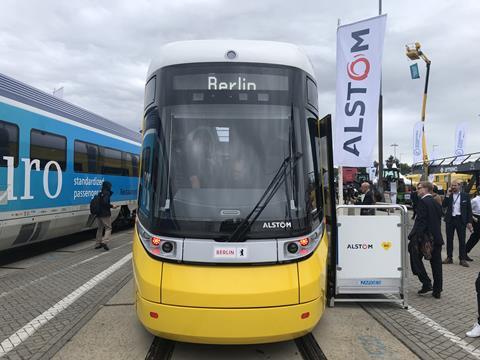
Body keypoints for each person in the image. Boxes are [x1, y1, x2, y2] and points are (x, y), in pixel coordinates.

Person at [408, 181, 444, 299]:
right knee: (436, 264)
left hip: (425, 239)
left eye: (419, 188)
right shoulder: (435, 202)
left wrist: (413, 236)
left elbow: (421, 222)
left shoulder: (423, 201)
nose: (417, 190)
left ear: (426, 189)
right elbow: (439, 217)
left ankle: (426, 283)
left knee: (415, 258)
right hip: (437, 238)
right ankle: (437, 290)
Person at [442, 180, 473, 267]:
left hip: (461, 220)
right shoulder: (449, 195)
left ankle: (462, 259)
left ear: (459, 186)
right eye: (452, 185)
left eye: (455, 185)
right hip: (450, 220)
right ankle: (449, 258)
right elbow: (444, 205)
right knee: (449, 239)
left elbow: (469, 210)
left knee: (462, 240)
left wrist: (469, 222)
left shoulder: (465, 196)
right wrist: (447, 195)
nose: (453, 187)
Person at [95, 181, 118, 251]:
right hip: (105, 214)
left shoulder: (100, 193)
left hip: (98, 214)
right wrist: (112, 206)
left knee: (100, 228)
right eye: (110, 186)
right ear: (108, 186)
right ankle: (104, 242)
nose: (110, 187)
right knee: (108, 228)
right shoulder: (107, 193)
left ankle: (98, 243)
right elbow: (105, 203)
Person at [466, 188, 480, 261]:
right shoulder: (475, 200)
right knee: (475, 237)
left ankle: (464, 251)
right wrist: (473, 218)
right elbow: (468, 210)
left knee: (475, 237)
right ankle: (464, 252)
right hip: (477, 219)